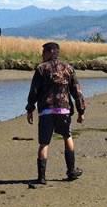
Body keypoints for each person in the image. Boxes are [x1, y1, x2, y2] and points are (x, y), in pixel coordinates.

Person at [25, 42, 86, 185]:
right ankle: (71, 171)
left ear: (48, 52)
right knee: (67, 137)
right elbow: (77, 91)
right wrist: (81, 111)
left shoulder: (41, 69)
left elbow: (34, 91)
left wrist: (29, 108)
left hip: (46, 110)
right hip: (64, 109)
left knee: (44, 143)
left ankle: (41, 177)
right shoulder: (68, 68)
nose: (41, 55)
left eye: (43, 52)